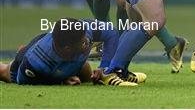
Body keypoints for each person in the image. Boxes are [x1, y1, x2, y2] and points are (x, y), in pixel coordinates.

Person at [0, 18, 145, 86]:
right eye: (83, 42)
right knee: (5, 71)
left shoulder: (83, 29)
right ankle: (19, 53)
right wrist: (61, 80)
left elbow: (112, 34)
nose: (88, 42)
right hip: (25, 64)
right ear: (67, 48)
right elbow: (23, 81)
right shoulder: (38, 62)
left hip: (67, 59)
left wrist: (103, 68)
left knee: (87, 72)